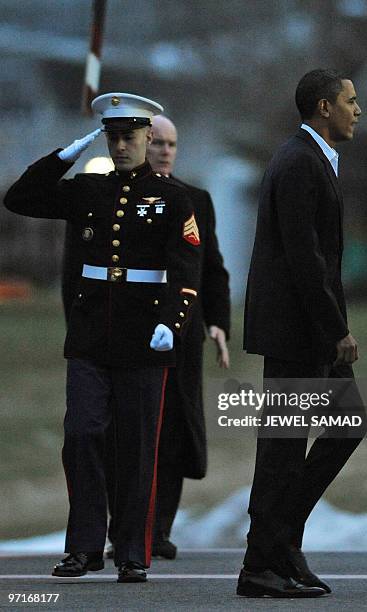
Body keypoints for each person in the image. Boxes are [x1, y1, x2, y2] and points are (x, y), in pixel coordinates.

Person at [4, 93, 201, 583]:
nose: (120, 146)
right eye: (112, 137)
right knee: (82, 435)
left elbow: (186, 268)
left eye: (128, 137)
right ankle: (84, 547)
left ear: (147, 139)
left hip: (143, 336)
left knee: (136, 446)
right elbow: (20, 197)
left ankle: (132, 549)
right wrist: (67, 154)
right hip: (92, 335)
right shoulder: (89, 189)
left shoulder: (174, 197)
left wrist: (170, 324)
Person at [62, 115, 231, 559]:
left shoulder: (192, 199)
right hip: (115, 330)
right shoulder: (104, 193)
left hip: (175, 331)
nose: (166, 151)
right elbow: (78, 265)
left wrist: (217, 323)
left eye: (173, 144)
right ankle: (116, 535)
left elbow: (207, 268)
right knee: (106, 431)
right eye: (159, 142)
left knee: (169, 433)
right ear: (145, 143)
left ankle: (155, 530)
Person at [239, 69, 367, 598]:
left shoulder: (313, 159)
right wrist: (335, 329)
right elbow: (302, 258)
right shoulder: (298, 163)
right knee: (283, 448)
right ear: (323, 108)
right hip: (298, 333)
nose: (357, 110)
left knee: (346, 424)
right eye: (350, 101)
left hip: (309, 331)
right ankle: (259, 565)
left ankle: (282, 541)